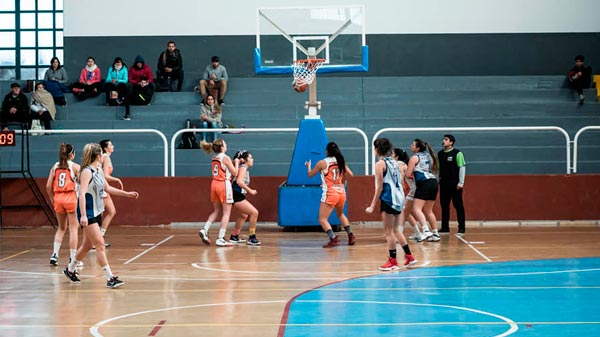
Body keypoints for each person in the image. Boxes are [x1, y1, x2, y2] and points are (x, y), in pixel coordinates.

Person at [63, 143, 138, 288]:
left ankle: (70, 269)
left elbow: (108, 188)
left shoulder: (98, 170)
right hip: (88, 212)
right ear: (98, 156)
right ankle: (110, 278)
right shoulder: (87, 172)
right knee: (100, 244)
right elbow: (82, 194)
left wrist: (126, 194)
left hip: (97, 211)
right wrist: (83, 215)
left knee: (86, 245)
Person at [366, 138, 416, 270]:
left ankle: (393, 262)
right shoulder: (395, 162)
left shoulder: (380, 164)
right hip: (399, 198)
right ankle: (410, 257)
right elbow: (400, 180)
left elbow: (380, 188)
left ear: (377, 149)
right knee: (396, 230)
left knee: (389, 232)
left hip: (389, 199)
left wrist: (372, 205)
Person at [305, 142, 356, 248]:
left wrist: (308, 166)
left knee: (322, 219)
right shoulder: (341, 161)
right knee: (340, 214)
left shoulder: (322, 163)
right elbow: (351, 175)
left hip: (330, 193)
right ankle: (351, 235)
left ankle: (333, 238)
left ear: (327, 151)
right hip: (341, 192)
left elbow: (310, 175)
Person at [198, 138, 240, 247]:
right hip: (223, 184)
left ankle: (205, 229)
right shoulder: (225, 157)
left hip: (214, 184)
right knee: (226, 212)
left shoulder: (214, 157)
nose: (226, 146)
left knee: (216, 210)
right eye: (225, 144)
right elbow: (235, 173)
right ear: (222, 147)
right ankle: (220, 238)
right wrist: (236, 163)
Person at [46, 143, 80, 266]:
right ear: (72, 154)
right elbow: (83, 184)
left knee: (61, 228)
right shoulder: (76, 167)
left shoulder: (55, 166)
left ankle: (54, 254)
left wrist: (52, 199)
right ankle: (72, 258)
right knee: (73, 229)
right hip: (70, 197)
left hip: (58, 198)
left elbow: (48, 186)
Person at [406, 138, 441, 242]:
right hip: (433, 182)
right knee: (428, 210)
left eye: (412, 145)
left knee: (416, 209)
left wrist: (412, 178)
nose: (411, 146)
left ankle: (425, 230)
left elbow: (408, 174)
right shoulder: (430, 156)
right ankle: (435, 234)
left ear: (417, 148)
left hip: (424, 183)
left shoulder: (414, 157)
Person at [229, 150, 261, 246]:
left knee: (243, 215)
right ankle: (252, 237)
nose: (252, 159)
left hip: (237, 194)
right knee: (254, 213)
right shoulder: (243, 168)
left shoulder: (243, 168)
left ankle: (234, 236)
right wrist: (250, 190)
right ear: (245, 160)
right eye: (250, 158)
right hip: (236, 194)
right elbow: (239, 182)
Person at [438, 134, 466, 235]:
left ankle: (461, 228)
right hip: (444, 183)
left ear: (451, 142)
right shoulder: (440, 154)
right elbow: (438, 168)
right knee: (444, 205)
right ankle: (445, 227)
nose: (443, 141)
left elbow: (462, 167)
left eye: (446, 139)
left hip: (454, 184)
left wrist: (461, 182)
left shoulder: (457, 153)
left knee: (458, 206)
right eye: (443, 139)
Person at [393, 148, 422, 240]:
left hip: (414, 190)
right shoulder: (404, 164)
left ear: (397, 156)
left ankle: (399, 235)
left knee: (403, 212)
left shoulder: (399, 164)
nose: (390, 155)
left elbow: (401, 179)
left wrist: (399, 191)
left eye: (392, 154)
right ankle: (418, 233)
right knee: (407, 212)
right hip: (415, 189)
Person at [98, 139, 123, 248]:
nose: (113, 146)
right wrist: (117, 179)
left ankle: (100, 237)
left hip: (104, 187)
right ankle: (96, 240)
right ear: (105, 148)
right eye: (110, 145)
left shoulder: (105, 157)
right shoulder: (105, 157)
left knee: (112, 211)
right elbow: (105, 175)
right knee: (99, 214)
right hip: (102, 188)